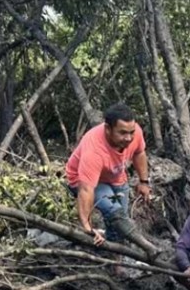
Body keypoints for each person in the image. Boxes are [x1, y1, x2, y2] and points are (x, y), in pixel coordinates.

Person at [65, 102, 159, 258]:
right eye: (122, 133)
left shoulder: (135, 133)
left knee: (118, 223)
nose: (128, 138)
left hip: (116, 176)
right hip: (83, 180)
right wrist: (87, 226)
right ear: (108, 129)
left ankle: (115, 262)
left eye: (131, 132)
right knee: (115, 212)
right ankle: (148, 247)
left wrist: (143, 182)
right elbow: (86, 189)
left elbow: (139, 153)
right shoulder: (94, 150)